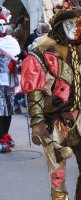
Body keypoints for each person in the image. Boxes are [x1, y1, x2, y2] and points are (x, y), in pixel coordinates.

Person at [20, 1, 81, 199]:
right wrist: (37, 122)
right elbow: (34, 90)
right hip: (56, 120)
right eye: (71, 24)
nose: (75, 29)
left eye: (79, 25)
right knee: (58, 176)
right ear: (60, 26)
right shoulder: (44, 53)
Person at [0, 6, 20, 152]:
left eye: (3, 25)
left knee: (9, 109)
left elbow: (17, 59)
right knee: (1, 109)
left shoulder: (11, 41)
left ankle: (5, 133)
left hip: (10, 81)